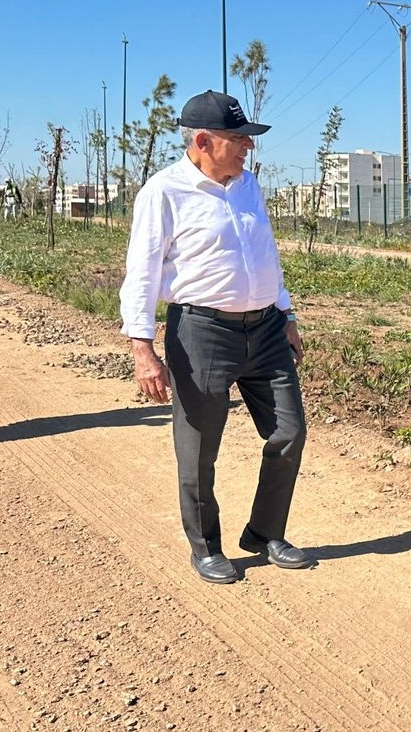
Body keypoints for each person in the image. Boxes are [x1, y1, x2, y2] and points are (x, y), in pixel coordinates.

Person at [119, 90, 313, 584]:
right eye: (238, 139)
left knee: (289, 431)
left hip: (266, 328)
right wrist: (143, 349)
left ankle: (265, 533)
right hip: (203, 331)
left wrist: (286, 312)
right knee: (200, 444)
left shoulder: (248, 185)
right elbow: (140, 273)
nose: (248, 148)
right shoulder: (162, 193)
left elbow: (265, 252)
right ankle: (205, 545)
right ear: (203, 141)